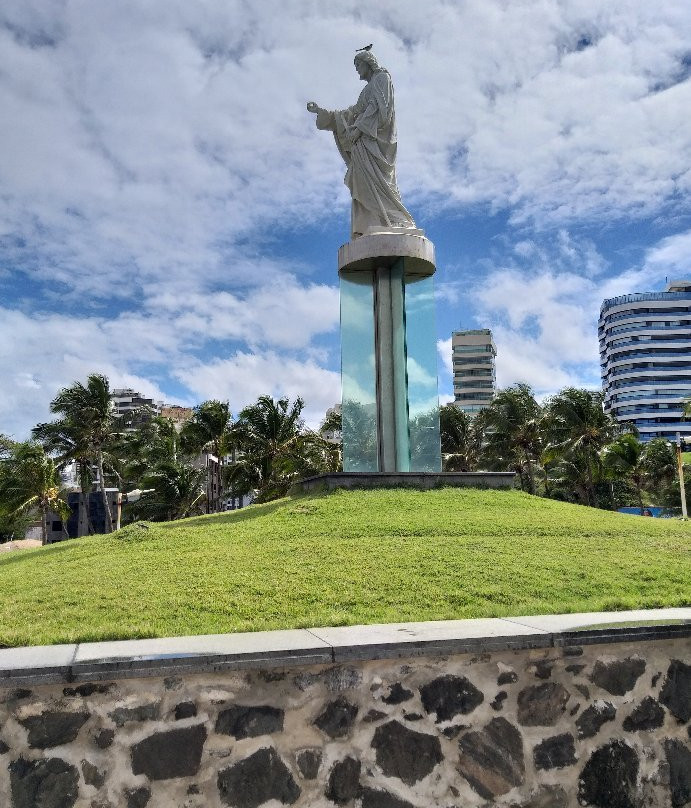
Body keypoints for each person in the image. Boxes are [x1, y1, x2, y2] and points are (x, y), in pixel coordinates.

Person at [307, 49, 416, 239]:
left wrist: (359, 129)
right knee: (363, 182)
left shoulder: (382, 78)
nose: (357, 70)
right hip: (363, 143)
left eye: (358, 65)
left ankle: (393, 218)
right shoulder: (366, 90)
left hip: (376, 141)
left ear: (368, 62)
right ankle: (372, 222)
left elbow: (381, 110)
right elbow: (353, 113)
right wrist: (323, 113)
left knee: (382, 183)